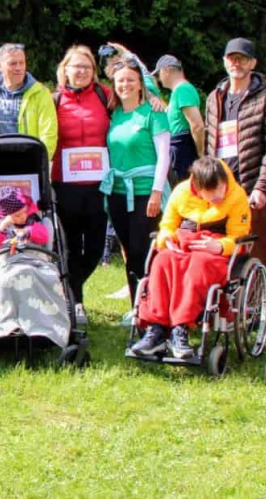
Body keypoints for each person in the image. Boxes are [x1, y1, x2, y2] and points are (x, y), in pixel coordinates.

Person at [128, 157, 250, 358]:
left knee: (198, 266)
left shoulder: (237, 196)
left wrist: (219, 246)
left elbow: (239, 236)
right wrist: (166, 239)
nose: (219, 196)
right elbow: (167, 225)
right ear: (198, 188)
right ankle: (156, 329)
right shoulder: (181, 192)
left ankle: (180, 328)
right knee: (161, 261)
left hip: (215, 252)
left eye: (221, 189)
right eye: (211, 192)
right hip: (183, 244)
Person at [203, 38, 266, 271]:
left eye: (242, 59)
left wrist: (262, 187)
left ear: (253, 63)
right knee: (219, 250)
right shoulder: (214, 98)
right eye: (232, 58)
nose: (236, 63)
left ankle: (257, 293)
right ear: (224, 61)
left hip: (250, 187)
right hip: (218, 187)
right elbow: (208, 142)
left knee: (254, 252)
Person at [101, 57, 170, 312]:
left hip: (145, 192)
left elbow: (164, 155)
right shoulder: (115, 113)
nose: (125, 85)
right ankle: (136, 308)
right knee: (130, 252)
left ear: (141, 83)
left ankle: (154, 307)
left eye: (131, 80)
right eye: (120, 81)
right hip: (118, 193)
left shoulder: (154, 112)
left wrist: (156, 192)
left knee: (144, 250)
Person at [50, 45, 113, 325]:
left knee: (96, 248)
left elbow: (137, 93)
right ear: (65, 70)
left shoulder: (105, 95)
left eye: (87, 67)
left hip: (98, 185)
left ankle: (69, 288)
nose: (82, 71)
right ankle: (76, 302)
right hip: (65, 185)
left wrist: (156, 101)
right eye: (76, 66)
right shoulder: (53, 100)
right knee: (70, 247)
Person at [0, 43, 58, 156]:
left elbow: (49, 134)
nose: (18, 68)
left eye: (22, 63)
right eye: (12, 63)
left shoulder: (41, 94)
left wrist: (39, 161)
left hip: (30, 161)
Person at [152, 55, 205, 181]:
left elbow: (197, 125)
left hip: (184, 152)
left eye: (159, 74)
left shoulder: (183, 89)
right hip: (178, 151)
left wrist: (201, 154)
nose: (159, 79)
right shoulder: (177, 92)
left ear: (166, 70)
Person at [0, 187, 50, 252]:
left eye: (26, 212)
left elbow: (44, 237)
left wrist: (27, 232)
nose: (24, 216)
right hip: (7, 257)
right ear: (6, 217)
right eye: (18, 215)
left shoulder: (30, 221)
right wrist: (1, 228)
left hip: (30, 256)